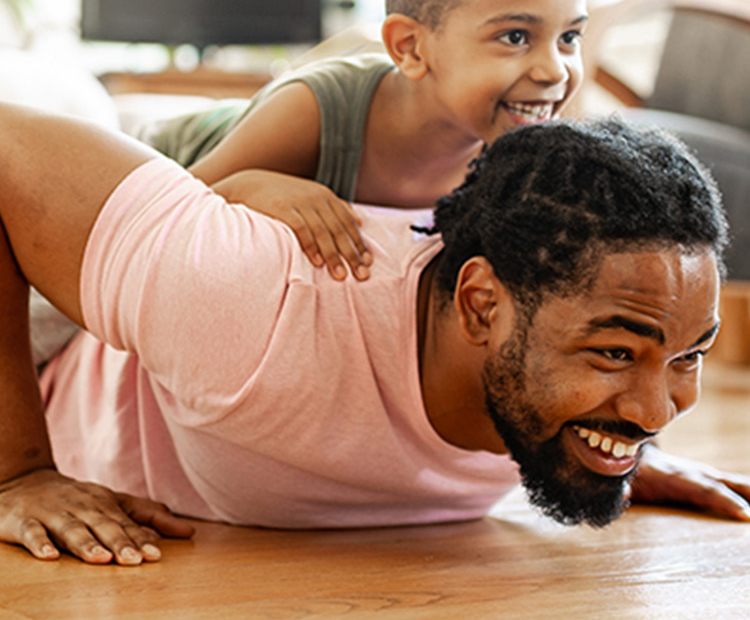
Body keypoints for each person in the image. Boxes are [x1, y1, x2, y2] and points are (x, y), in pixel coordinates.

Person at [1, 104, 749, 568]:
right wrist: (18, 472)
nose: (655, 409)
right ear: (481, 304)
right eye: (616, 354)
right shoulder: (258, 296)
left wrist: (602, 448)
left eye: (687, 356)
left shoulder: (551, 382)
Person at [144, 0, 589, 280]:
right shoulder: (315, 109)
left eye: (569, 37)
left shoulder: (515, 147)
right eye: (516, 37)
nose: (554, 70)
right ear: (410, 48)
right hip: (174, 147)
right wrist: (249, 187)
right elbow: (170, 213)